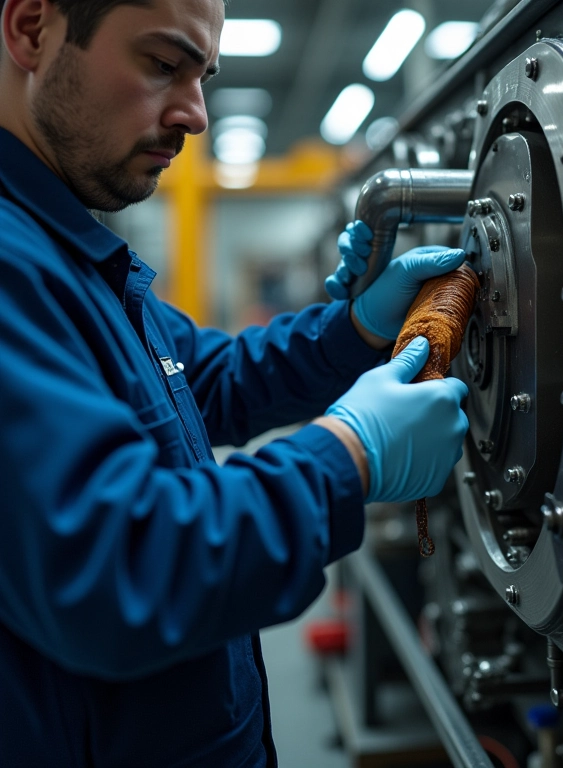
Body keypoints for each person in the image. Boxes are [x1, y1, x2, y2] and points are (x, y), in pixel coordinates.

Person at [0, 0, 470, 765]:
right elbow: (123, 567)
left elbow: (206, 380)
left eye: (204, 76)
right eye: (161, 63)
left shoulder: (72, 256)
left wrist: (354, 330)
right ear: (30, 30)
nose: (195, 116)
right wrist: (348, 454)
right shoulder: (14, 265)